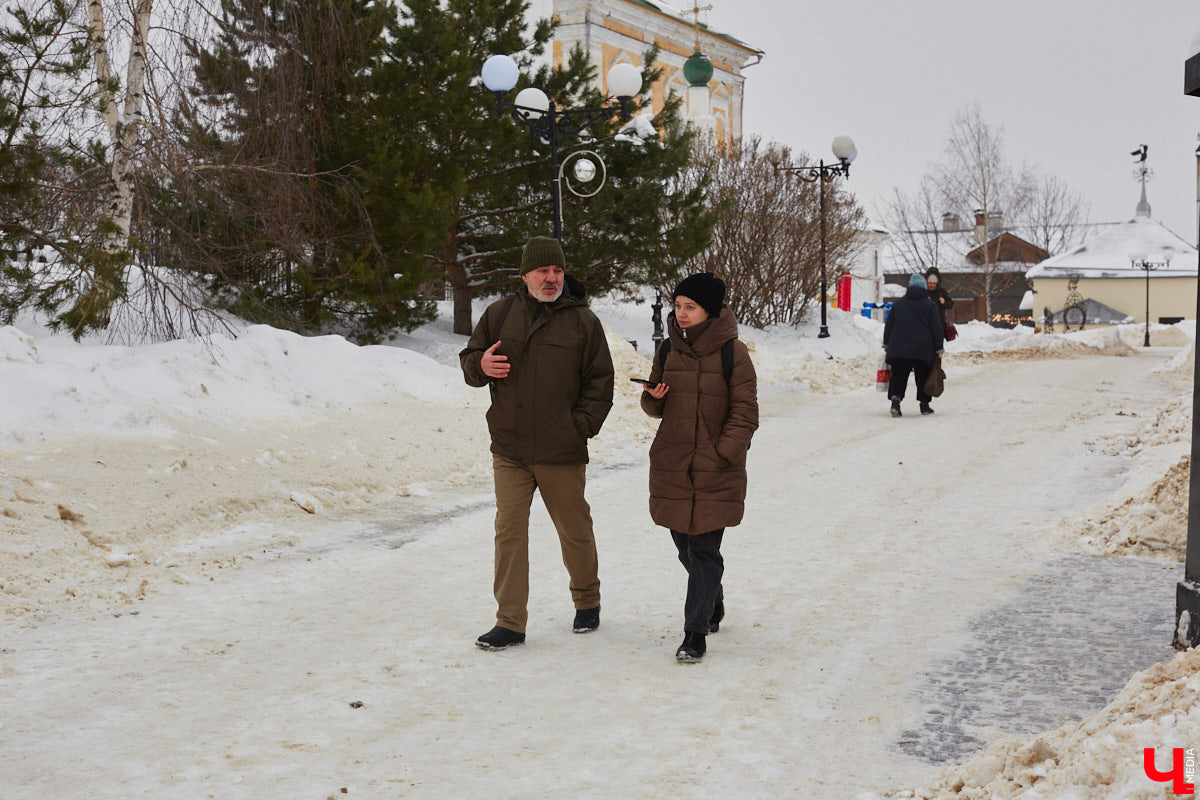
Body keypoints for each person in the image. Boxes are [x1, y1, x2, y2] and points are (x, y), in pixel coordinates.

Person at [459, 236, 615, 650]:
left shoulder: (583, 322)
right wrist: (481, 365)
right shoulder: (499, 314)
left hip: (559, 448)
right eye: (543, 271)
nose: (551, 278)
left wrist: (578, 427)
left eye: (558, 271)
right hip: (509, 448)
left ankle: (587, 600)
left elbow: (600, 382)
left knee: (573, 528)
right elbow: (471, 360)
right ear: (524, 275)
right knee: (508, 531)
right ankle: (509, 621)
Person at [640, 273, 758, 663]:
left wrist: (722, 454)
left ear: (710, 310)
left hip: (714, 468)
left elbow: (745, 413)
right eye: (678, 306)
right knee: (685, 548)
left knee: (705, 550)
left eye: (690, 307)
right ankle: (713, 598)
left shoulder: (733, 353)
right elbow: (655, 407)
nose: (682, 313)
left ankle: (695, 634)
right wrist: (653, 397)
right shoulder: (666, 351)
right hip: (673, 465)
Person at [883, 273, 944, 417]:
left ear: (909, 287)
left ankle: (895, 403)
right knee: (923, 376)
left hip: (899, 348)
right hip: (922, 349)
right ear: (924, 288)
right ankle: (924, 405)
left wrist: (886, 344)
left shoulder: (898, 304)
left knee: (898, 375)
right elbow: (936, 328)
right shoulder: (930, 305)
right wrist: (939, 347)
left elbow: (889, 326)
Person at [924, 267, 954, 331]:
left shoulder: (941, 292)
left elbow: (951, 304)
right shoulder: (923, 292)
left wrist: (944, 302)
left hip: (939, 324)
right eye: (930, 283)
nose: (932, 285)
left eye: (934, 283)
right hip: (925, 325)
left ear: (937, 283)